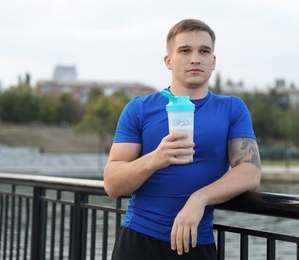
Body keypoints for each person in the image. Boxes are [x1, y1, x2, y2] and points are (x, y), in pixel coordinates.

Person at [103, 18, 261, 260]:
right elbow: (112, 184)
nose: (195, 58)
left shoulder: (232, 108)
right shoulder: (139, 109)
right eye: (185, 50)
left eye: (204, 51)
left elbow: (250, 172)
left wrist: (199, 199)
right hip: (139, 240)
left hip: (197, 241)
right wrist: (155, 159)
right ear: (168, 60)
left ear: (213, 61)